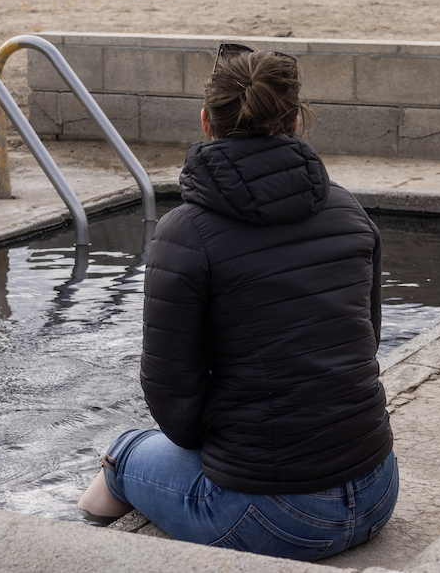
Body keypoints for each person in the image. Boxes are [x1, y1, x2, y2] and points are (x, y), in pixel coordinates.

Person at [78, 42, 397, 561]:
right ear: (296, 122)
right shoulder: (349, 210)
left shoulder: (185, 232)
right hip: (377, 488)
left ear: (206, 121)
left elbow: (173, 404)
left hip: (275, 518)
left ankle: (67, 548)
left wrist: (240, 437)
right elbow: (366, 340)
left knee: (124, 452)